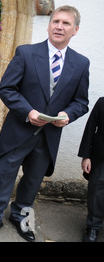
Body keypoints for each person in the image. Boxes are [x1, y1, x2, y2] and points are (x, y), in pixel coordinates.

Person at [0, 5, 90, 242]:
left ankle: (20, 216)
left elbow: (81, 102)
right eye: (55, 21)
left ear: (75, 30)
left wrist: (68, 115)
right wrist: (28, 111)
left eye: (66, 23)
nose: (59, 26)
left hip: (48, 137)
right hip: (19, 130)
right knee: (4, 176)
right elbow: (6, 89)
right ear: (49, 25)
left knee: (33, 180)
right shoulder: (25, 53)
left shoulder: (81, 63)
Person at [78, 97, 104, 242]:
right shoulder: (102, 102)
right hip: (101, 158)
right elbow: (90, 129)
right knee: (97, 193)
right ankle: (93, 226)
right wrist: (86, 156)